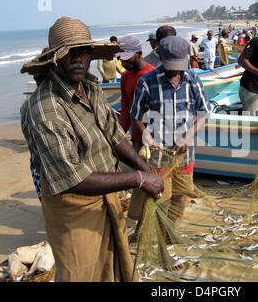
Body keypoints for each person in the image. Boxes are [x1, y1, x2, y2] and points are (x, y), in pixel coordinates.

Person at [20, 16, 164, 282]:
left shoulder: (90, 87)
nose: (78, 59)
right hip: (74, 208)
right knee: (83, 273)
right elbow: (73, 177)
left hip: (107, 196)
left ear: (91, 55)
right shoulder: (46, 108)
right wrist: (139, 179)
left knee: (115, 265)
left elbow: (115, 135)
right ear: (56, 58)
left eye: (83, 52)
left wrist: (146, 169)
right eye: (69, 53)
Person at [129, 35, 211, 251]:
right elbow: (136, 115)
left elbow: (204, 114)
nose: (176, 72)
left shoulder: (193, 80)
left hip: (185, 153)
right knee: (161, 200)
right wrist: (145, 133)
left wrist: (188, 136)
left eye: (179, 66)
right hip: (159, 153)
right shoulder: (147, 82)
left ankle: (170, 232)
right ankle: (163, 246)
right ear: (160, 58)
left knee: (181, 195)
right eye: (171, 67)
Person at [117, 35, 155, 153]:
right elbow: (125, 109)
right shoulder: (125, 76)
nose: (123, 63)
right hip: (136, 138)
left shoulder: (154, 75)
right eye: (120, 59)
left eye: (127, 58)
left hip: (155, 138)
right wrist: (118, 136)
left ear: (139, 53)